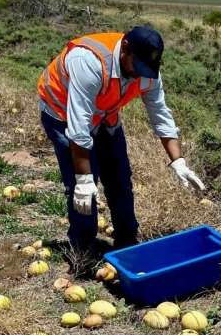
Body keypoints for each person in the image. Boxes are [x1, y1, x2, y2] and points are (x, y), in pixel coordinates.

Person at [38, 26, 204, 267]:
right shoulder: (89, 62)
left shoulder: (146, 70)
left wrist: (178, 162)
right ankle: (83, 251)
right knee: (82, 187)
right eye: (136, 67)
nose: (139, 75)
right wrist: (84, 180)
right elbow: (79, 129)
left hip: (105, 114)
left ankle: (127, 242)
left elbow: (161, 115)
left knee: (120, 177)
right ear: (125, 49)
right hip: (62, 111)